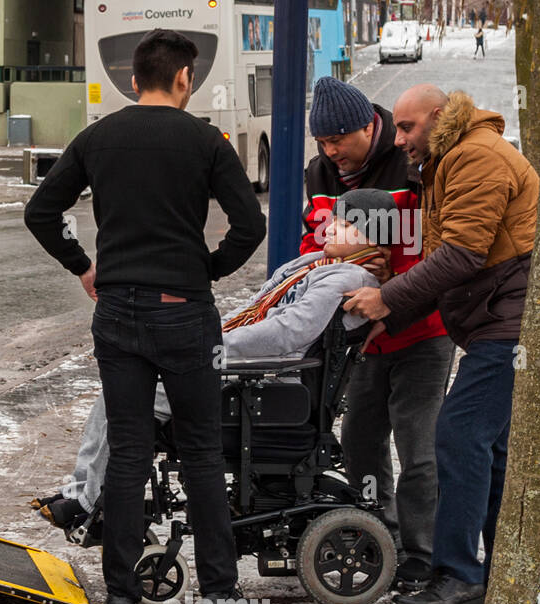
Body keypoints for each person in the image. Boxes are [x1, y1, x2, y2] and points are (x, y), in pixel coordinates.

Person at [24, 29, 266, 604]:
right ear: (185, 79)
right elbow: (250, 224)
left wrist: (83, 266)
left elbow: (40, 212)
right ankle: (218, 596)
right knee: (203, 455)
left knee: (129, 457)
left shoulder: (99, 137)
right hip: (186, 313)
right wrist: (207, 267)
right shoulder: (206, 141)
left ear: (134, 81)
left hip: (119, 316)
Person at [42, 189, 395, 530]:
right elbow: (257, 310)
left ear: (374, 238)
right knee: (121, 390)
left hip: (267, 382)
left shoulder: (348, 278)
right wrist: (207, 334)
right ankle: (85, 492)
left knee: (129, 395)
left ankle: (90, 499)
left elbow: (290, 332)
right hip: (252, 373)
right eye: (332, 219)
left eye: (345, 225)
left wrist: (213, 346)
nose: (329, 227)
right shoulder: (318, 264)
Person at [344, 85, 539, 604]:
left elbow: (460, 255)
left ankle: (457, 574)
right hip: (495, 321)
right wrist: (396, 315)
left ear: (438, 117)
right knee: (490, 449)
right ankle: (497, 571)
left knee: (457, 436)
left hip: (507, 323)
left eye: (407, 128)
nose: (400, 138)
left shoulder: (475, 156)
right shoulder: (452, 156)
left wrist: (387, 300)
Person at [302, 77, 453, 592]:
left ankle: (421, 551)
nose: (332, 152)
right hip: (360, 341)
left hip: (421, 333)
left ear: (370, 125)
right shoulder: (319, 173)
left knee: (419, 447)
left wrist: (394, 308)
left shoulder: (413, 163)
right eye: (323, 143)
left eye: (339, 139)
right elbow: (313, 241)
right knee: (360, 442)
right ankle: (380, 535)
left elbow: (435, 254)